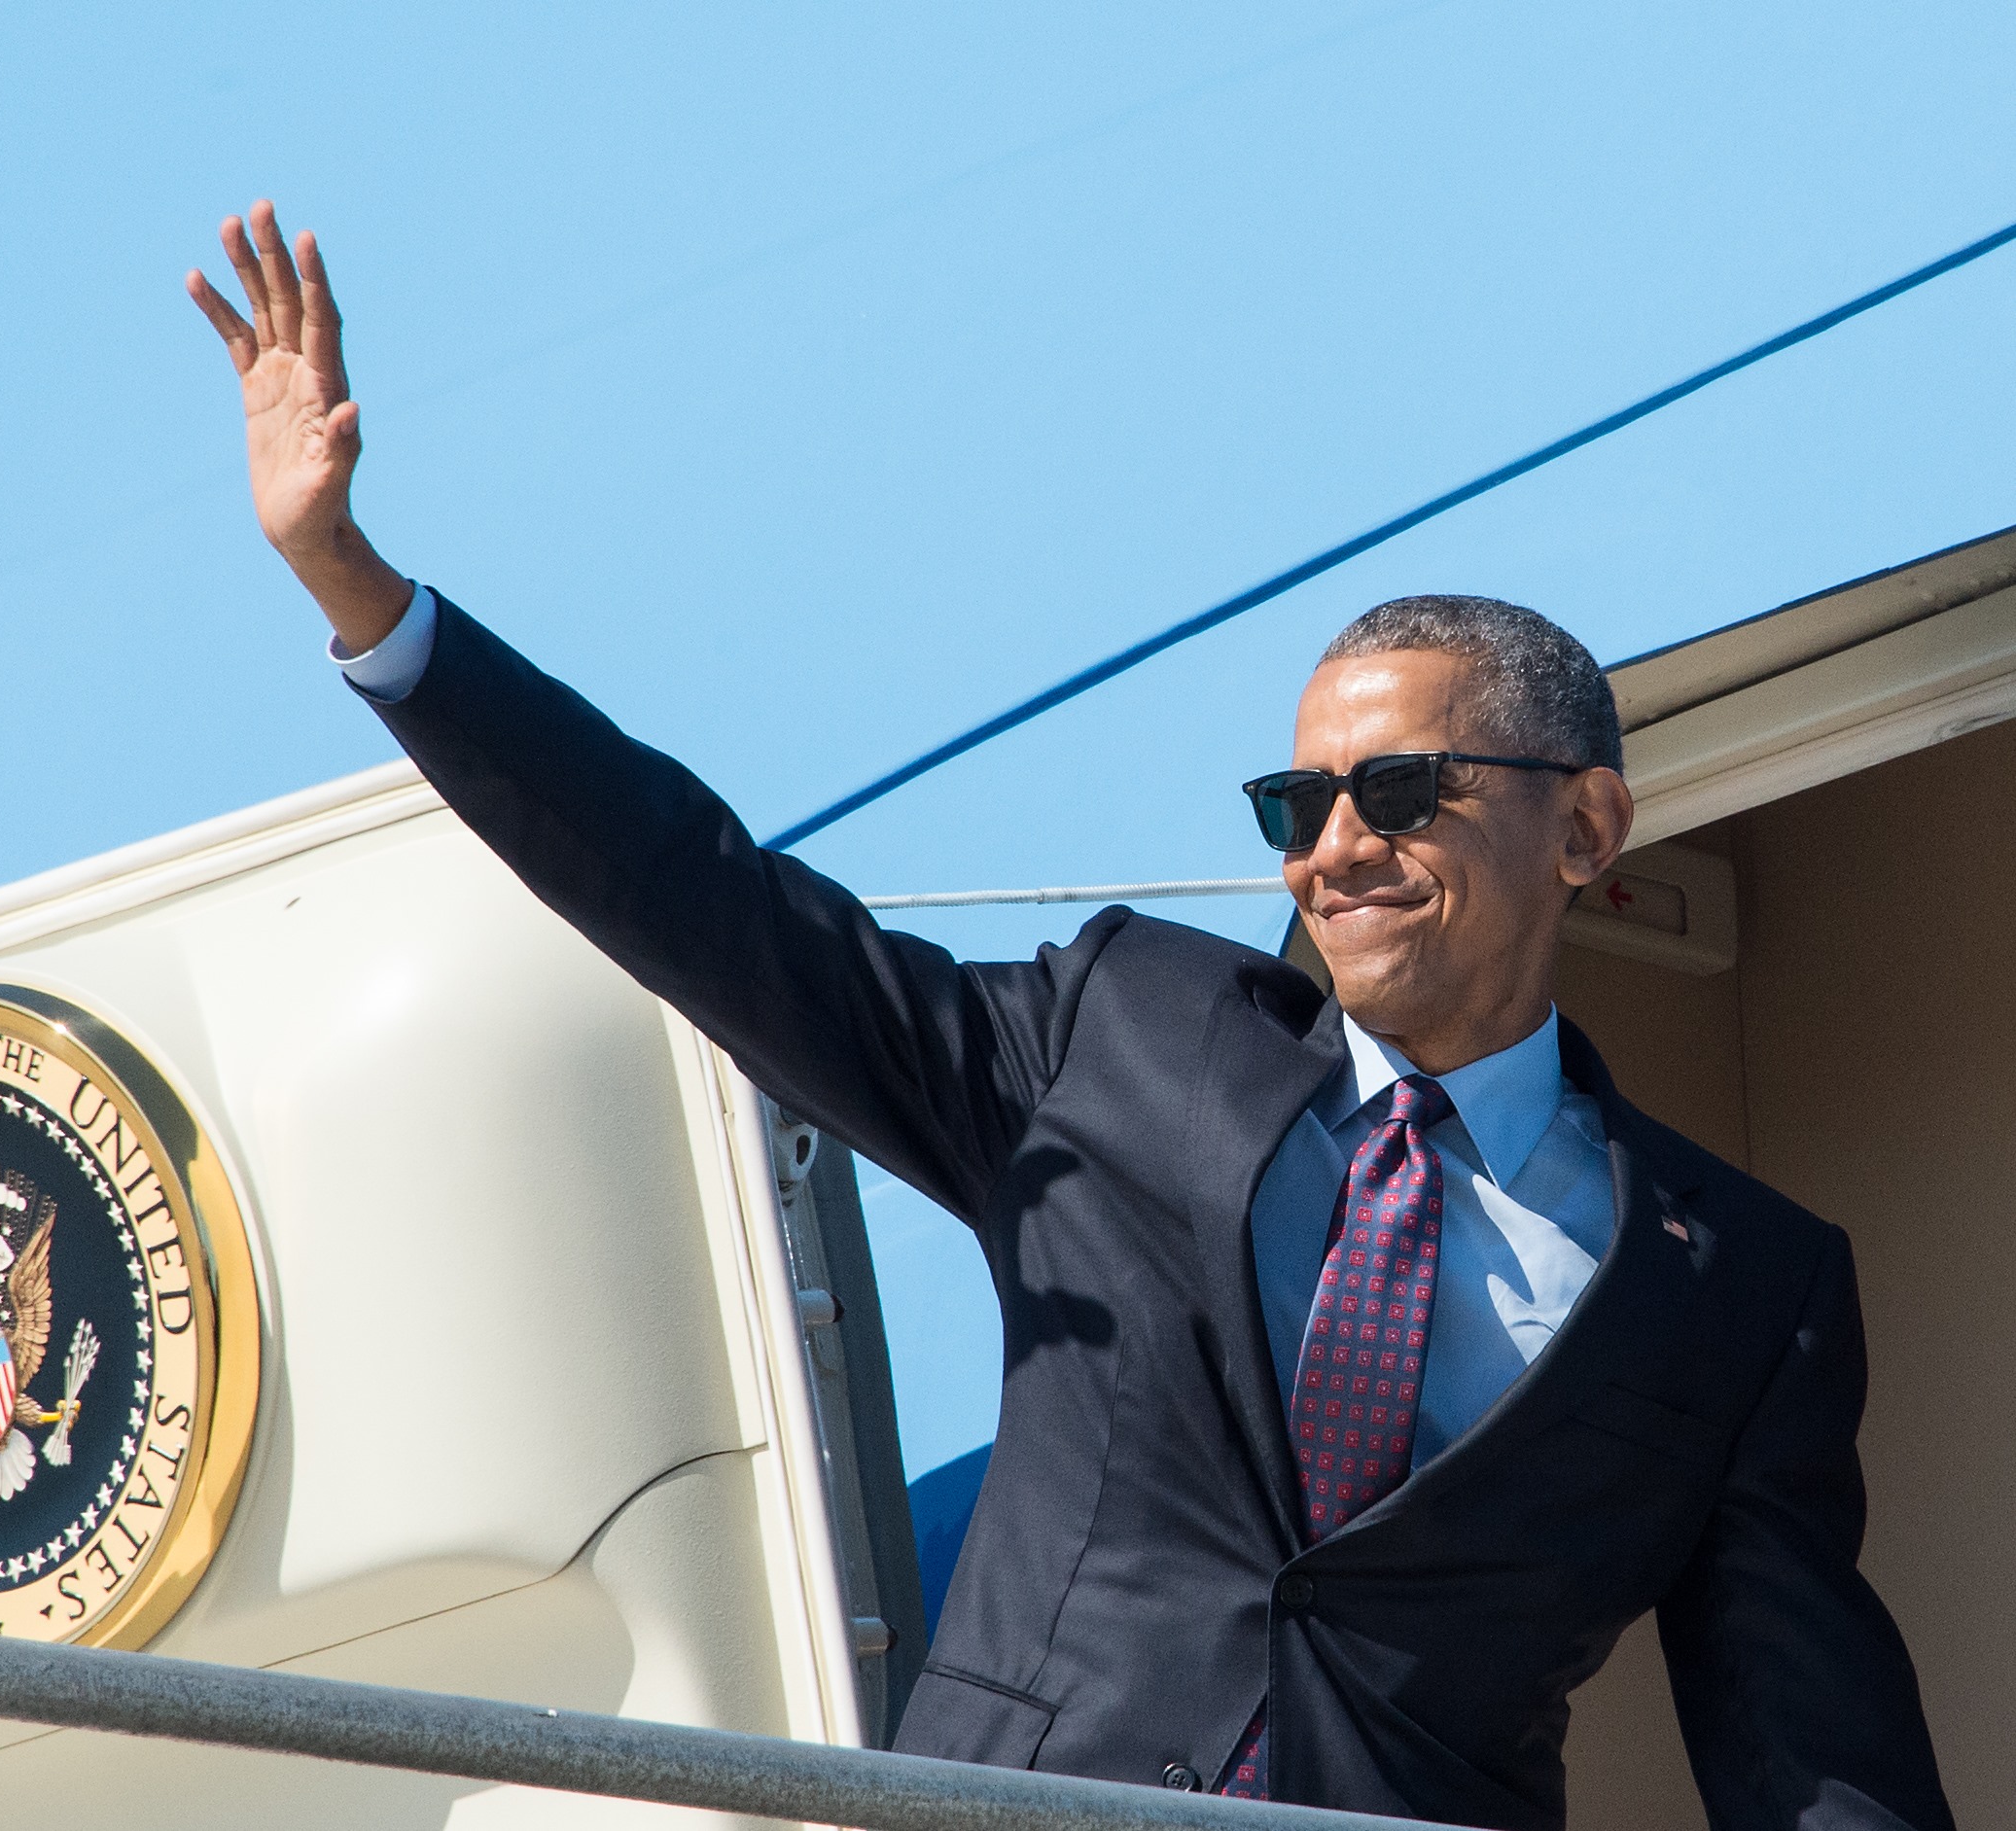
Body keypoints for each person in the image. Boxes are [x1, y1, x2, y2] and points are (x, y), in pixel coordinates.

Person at [185, 200, 1952, 1831]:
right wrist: (363, 592)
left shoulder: (1742, 1290)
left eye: (1400, 790)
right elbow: (706, 902)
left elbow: (1811, 1751)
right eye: (1294, 807)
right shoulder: (1124, 1041)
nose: (1334, 848)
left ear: (1582, 826)